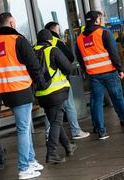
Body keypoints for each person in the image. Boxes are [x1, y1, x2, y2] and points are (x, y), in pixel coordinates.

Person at [0, 12, 46, 180]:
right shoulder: (18, 40)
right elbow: (34, 65)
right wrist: (39, 85)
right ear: (11, 23)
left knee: (25, 127)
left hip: (6, 92)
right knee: (23, 128)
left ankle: (31, 160)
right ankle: (24, 167)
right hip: (21, 89)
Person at [76, 11, 124, 140]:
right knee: (118, 98)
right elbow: (113, 52)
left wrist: (87, 70)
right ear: (96, 21)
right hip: (109, 72)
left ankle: (101, 131)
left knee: (97, 102)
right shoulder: (103, 33)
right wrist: (120, 69)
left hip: (93, 75)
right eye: (100, 18)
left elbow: (80, 58)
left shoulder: (79, 38)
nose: (101, 20)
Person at [34, 30, 78, 164]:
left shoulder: (32, 51)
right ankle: (51, 152)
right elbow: (69, 68)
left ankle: (68, 146)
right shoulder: (52, 50)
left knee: (54, 121)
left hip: (41, 94)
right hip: (56, 93)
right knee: (56, 122)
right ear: (50, 40)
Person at [43, 22, 90, 140]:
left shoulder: (37, 45)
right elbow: (70, 57)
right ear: (54, 30)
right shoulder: (56, 41)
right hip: (60, 81)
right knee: (69, 105)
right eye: (58, 29)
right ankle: (76, 131)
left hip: (45, 83)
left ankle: (49, 133)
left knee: (49, 109)